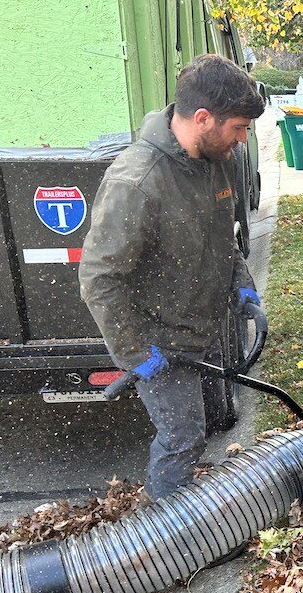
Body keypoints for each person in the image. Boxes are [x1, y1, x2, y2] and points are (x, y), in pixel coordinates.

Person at [80, 53, 266, 500]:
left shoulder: (214, 161)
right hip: (159, 341)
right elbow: (99, 278)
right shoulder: (137, 181)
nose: (242, 140)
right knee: (183, 439)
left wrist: (243, 285)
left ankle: (185, 518)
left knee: (208, 422)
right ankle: (164, 545)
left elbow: (223, 238)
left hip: (200, 324)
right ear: (203, 118)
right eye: (238, 127)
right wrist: (135, 352)